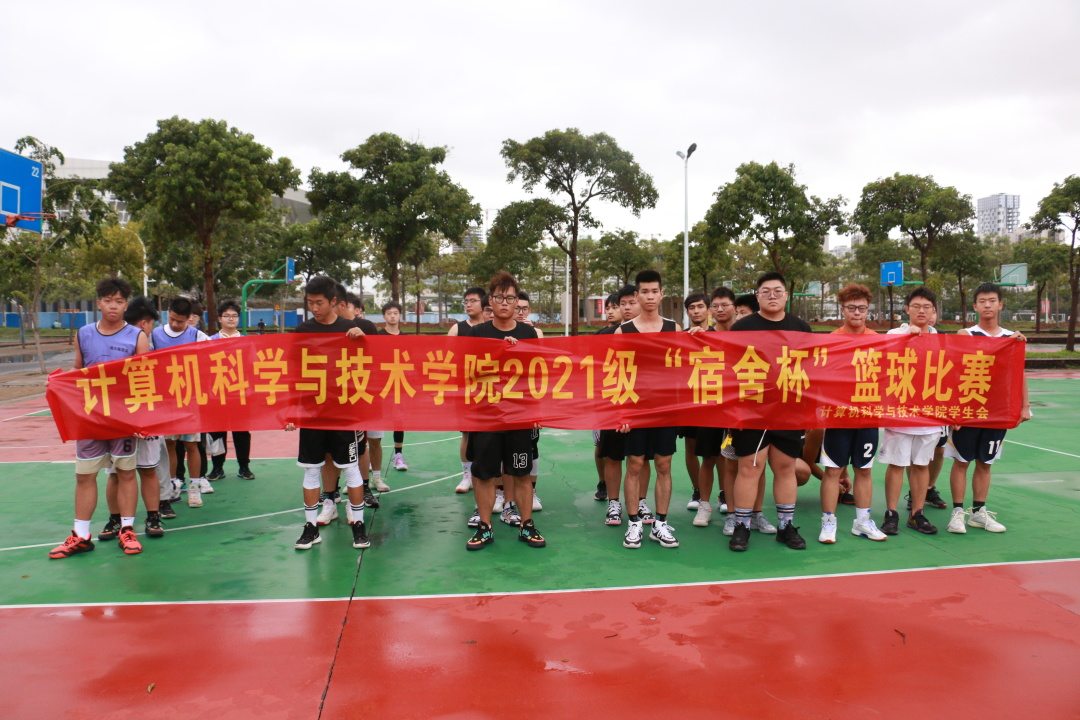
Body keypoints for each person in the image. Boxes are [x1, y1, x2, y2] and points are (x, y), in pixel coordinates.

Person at [49, 278, 150, 559]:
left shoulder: (137, 336)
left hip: (123, 417)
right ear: (99, 303)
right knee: (84, 475)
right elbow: (77, 371)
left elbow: (145, 379)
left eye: (119, 301)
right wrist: (58, 384)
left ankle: (127, 530)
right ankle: (81, 535)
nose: (113, 306)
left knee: (126, 473)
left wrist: (142, 420)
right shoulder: (83, 334)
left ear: (126, 305)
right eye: (108, 301)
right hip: (90, 417)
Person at [727, 272, 813, 552]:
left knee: (785, 468)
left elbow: (812, 370)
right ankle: (742, 526)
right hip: (751, 410)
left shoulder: (800, 327)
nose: (772, 295)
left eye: (778, 291)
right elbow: (727, 368)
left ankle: (785, 526)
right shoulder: (742, 328)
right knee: (750, 467)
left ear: (786, 295)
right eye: (766, 291)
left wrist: (807, 411)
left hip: (789, 409)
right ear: (758, 296)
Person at [287, 276, 371, 551]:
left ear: (333, 301)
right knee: (312, 469)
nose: (314, 308)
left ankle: (359, 525)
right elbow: (292, 371)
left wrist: (364, 341)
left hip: (344, 413)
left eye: (319, 303)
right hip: (312, 413)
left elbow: (370, 365)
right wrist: (291, 410)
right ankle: (310, 527)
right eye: (310, 302)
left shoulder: (349, 329)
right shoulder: (302, 330)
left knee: (351, 469)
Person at [465, 271, 546, 550]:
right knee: (484, 474)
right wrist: (497, 353)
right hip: (486, 416)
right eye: (499, 297)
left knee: (521, 473)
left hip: (519, 416)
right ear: (490, 300)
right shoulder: (477, 334)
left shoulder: (528, 334)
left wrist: (518, 351)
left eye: (510, 298)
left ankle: (527, 525)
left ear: (516, 301)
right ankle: (485, 527)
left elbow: (537, 375)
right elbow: (466, 373)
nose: (504, 303)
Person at [945, 282, 1031, 534]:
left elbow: (1019, 373)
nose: (987, 305)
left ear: (1000, 304)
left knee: (985, 462)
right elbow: (953, 373)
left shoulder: (1011, 338)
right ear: (975, 306)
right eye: (982, 301)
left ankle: (978, 513)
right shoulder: (966, 335)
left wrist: (1025, 406)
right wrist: (953, 409)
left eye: (992, 301)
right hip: (969, 409)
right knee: (962, 461)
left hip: (997, 411)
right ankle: (957, 513)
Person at [615, 270, 681, 550]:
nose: (650, 296)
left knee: (664, 465)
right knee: (635, 464)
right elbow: (616, 374)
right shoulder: (624, 331)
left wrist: (700, 337)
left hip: (665, 408)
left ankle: (661, 523)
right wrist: (621, 412)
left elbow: (685, 368)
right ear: (637, 295)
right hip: (635, 408)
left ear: (661, 294)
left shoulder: (674, 328)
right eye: (645, 291)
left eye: (655, 291)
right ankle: (633, 523)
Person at [819, 283, 887, 543]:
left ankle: (863, 522)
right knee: (833, 471)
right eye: (851, 307)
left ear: (868, 310)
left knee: (864, 470)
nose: (857, 312)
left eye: (862, 308)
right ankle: (828, 522)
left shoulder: (878, 341)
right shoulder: (832, 341)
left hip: (868, 416)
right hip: (838, 417)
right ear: (843, 309)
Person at [97, 296, 168, 541]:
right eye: (151, 325)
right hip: (119, 418)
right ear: (143, 323)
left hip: (145, 418)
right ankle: (116, 519)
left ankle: (152, 517)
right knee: (117, 472)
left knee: (147, 469)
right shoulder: (113, 346)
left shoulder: (152, 349)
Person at [880, 287, 942, 536]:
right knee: (897, 464)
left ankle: (917, 513)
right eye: (916, 306)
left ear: (933, 311)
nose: (921, 311)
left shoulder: (939, 338)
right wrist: (908, 337)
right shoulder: (895, 334)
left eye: (927, 307)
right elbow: (884, 361)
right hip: (900, 412)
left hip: (929, 413)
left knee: (921, 465)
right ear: (907, 309)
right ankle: (891, 513)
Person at [151, 297, 212, 508]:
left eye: (181, 321)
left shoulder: (197, 336)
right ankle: (172, 483)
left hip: (189, 400)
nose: (176, 324)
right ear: (167, 312)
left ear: (190, 318)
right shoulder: (155, 335)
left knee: (191, 444)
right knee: (169, 444)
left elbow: (214, 358)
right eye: (173, 319)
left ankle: (194, 487)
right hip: (165, 400)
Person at [206, 300, 255, 481]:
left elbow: (252, 365)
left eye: (234, 316)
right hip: (217, 394)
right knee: (217, 432)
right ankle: (217, 468)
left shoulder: (246, 341)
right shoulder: (209, 341)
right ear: (219, 319)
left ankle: (244, 467)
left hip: (240, 393)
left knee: (241, 432)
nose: (231, 319)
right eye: (226, 316)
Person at [450, 287, 486, 494]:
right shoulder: (457, 329)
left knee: (488, 434)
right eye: (466, 301)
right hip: (465, 389)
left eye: (473, 301)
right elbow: (446, 357)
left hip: (489, 389)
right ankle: (467, 475)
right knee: (466, 433)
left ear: (484, 303)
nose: (468, 304)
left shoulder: (492, 327)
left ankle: (486, 473)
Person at [369, 300, 407, 491]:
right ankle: (371, 462)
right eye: (389, 313)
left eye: (395, 313)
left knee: (398, 419)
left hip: (399, 382)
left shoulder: (406, 338)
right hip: (380, 385)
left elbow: (411, 358)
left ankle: (398, 455)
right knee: (376, 425)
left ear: (400, 315)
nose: (392, 316)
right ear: (384, 316)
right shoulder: (377, 336)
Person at [592, 292, 624, 502]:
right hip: (605, 398)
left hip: (628, 396)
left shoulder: (635, 333)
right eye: (608, 308)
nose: (611, 311)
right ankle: (603, 481)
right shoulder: (600, 335)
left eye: (615, 307)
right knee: (600, 444)